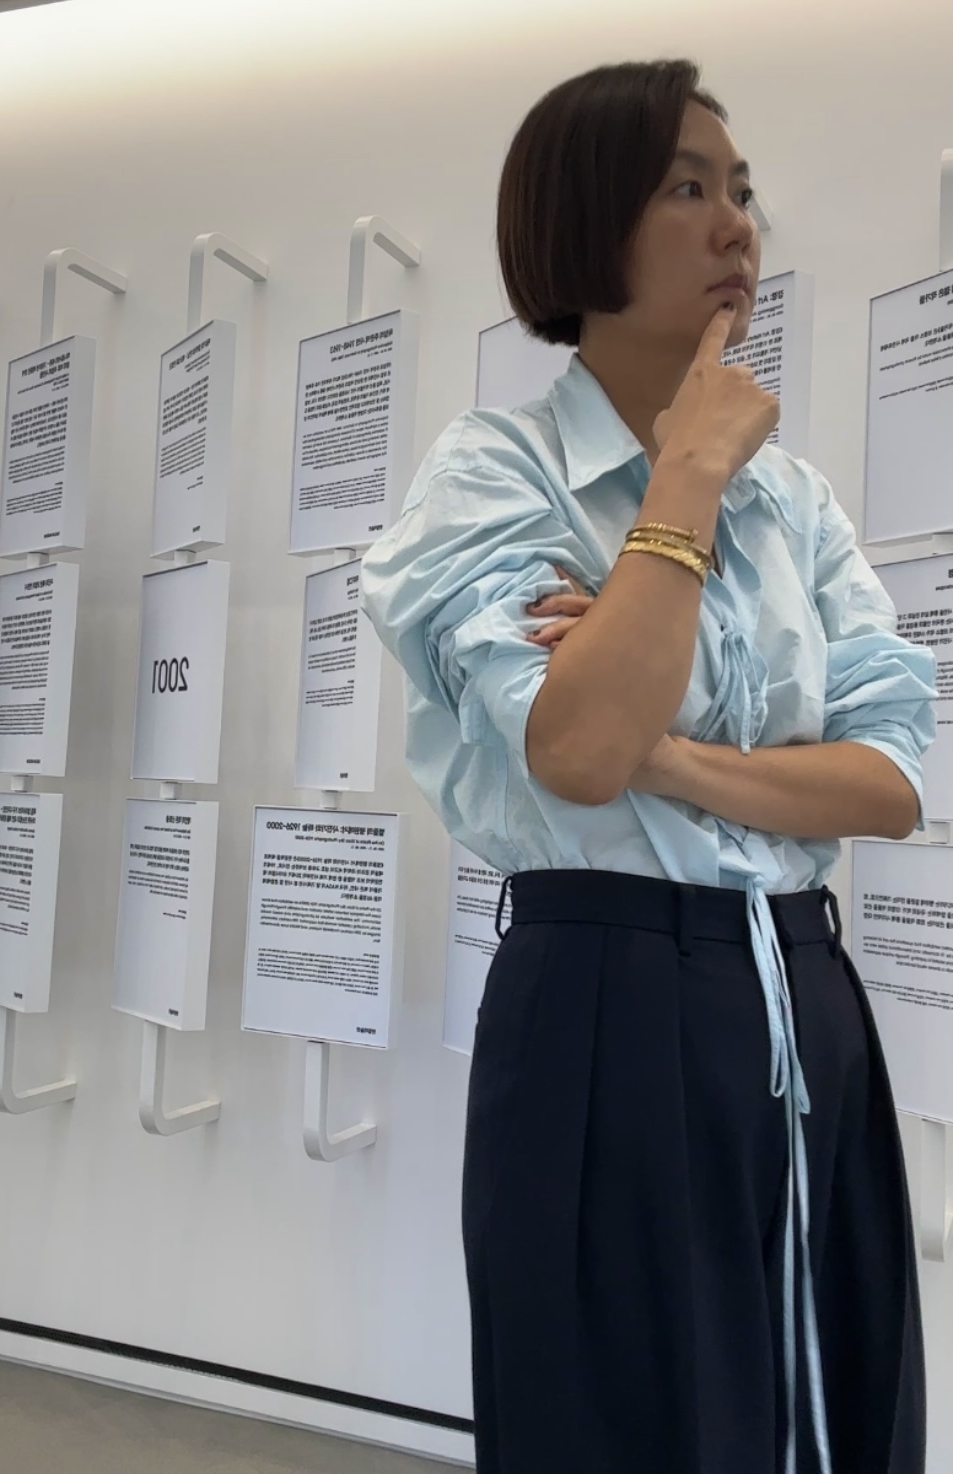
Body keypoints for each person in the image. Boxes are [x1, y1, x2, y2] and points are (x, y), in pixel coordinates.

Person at [358, 58, 937, 1474]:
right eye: (687, 187)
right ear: (583, 220)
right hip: (604, 994)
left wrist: (669, 758)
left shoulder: (796, 501)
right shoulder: (491, 475)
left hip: (806, 993)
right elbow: (576, 750)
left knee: (835, 1404)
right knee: (621, 1419)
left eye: (741, 190)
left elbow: (890, 783)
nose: (737, 225)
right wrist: (683, 479)